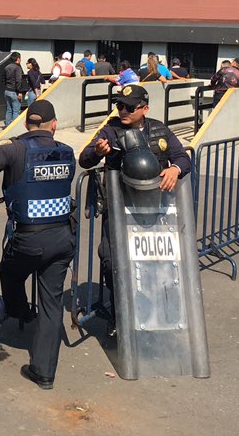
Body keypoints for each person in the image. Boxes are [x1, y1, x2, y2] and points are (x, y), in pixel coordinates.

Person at [0, 100, 76, 390]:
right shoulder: (66, 151)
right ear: (53, 124)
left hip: (28, 238)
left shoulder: (12, 149)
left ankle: (18, 311)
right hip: (62, 237)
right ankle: (44, 372)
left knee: (9, 270)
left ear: (26, 123)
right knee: (52, 304)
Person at [78, 84, 190, 334]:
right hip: (118, 210)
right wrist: (97, 152)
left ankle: (157, 317)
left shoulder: (159, 129)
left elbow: (183, 157)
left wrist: (174, 169)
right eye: (119, 105)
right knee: (111, 261)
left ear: (145, 108)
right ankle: (121, 317)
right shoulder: (110, 129)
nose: (122, 110)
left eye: (129, 107)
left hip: (154, 211)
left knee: (155, 264)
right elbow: (84, 159)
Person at [3, 52, 24, 128]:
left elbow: (4, 79)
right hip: (14, 91)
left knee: (9, 110)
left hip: (7, 90)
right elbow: (19, 80)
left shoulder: (7, 67)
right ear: (18, 59)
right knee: (16, 111)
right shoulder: (17, 67)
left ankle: (7, 126)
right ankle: (14, 128)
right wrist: (20, 92)